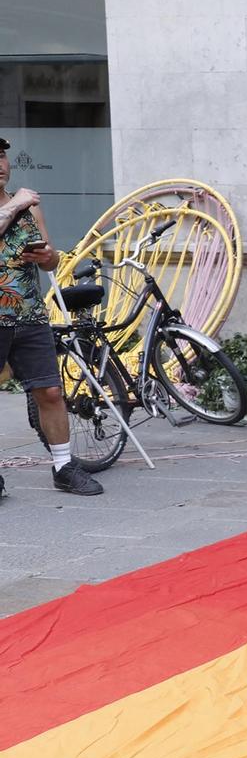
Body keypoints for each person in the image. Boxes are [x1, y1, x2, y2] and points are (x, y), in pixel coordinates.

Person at [0, 137, 102, 495]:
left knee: (51, 391)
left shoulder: (29, 207)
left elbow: (53, 258)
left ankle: (63, 466)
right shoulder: (19, 204)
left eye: (1, 156)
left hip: (30, 314)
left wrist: (47, 258)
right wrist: (13, 207)